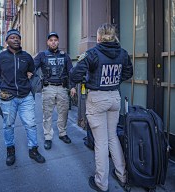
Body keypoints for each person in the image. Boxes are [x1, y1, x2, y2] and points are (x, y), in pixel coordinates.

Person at [70, 23, 133, 192]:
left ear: (99, 38)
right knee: (112, 137)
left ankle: (101, 183)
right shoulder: (123, 53)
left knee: (101, 142)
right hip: (114, 97)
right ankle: (122, 175)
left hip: (97, 98)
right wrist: (114, 81)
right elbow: (128, 73)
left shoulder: (92, 54)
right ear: (114, 37)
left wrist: (87, 80)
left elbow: (75, 75)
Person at [0, 29, 45, 166]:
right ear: (7, 41)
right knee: (8, 125)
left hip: (25, 96)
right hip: (7, 97)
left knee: (30, 124)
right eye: (12, 37)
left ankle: (33, 150)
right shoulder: (0, 58)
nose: (15, 39)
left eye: (17, 37)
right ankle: (10, 151)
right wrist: (7, 86)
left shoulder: (27, 57)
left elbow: (31, 72)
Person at [34, 32, 76, 150]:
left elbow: (71, 72)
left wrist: (72, 86)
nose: (53, 42)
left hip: (62, 88)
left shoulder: (65, 56)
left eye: (55, 40)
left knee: (63, 112)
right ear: (47, 42)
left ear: (58, 42)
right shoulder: (42, 55)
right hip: (48, 88)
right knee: (47, 114)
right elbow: (32, 67)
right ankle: (48, 136)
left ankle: (62, 133)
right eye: (51, 40)